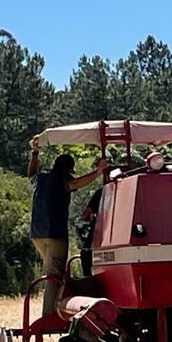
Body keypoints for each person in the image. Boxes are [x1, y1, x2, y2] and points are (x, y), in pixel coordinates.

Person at [27, 135, 108, 315]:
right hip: (55, 234)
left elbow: (31, 174)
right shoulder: (62, 181)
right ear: (69, 170)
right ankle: (49, 315)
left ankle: (59, 307)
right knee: (54, 276)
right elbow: (75, 183)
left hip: (36, 235)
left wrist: (35, 153)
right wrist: (98, 172)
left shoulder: (41, 179)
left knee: (53, 272)